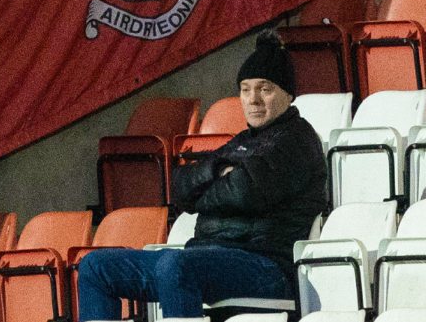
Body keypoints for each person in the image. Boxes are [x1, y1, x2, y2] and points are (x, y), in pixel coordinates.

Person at [77, 29, 327, 321]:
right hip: (205, 259)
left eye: (265, 89)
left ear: (288, 94)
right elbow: (181, 188)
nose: (253, 100)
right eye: (245, 90)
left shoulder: (298, 139)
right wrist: (222, 171)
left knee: (175, 265)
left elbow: (247, 192)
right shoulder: (241, 141)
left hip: (264, 265)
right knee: (96, 267)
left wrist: (209, 187)